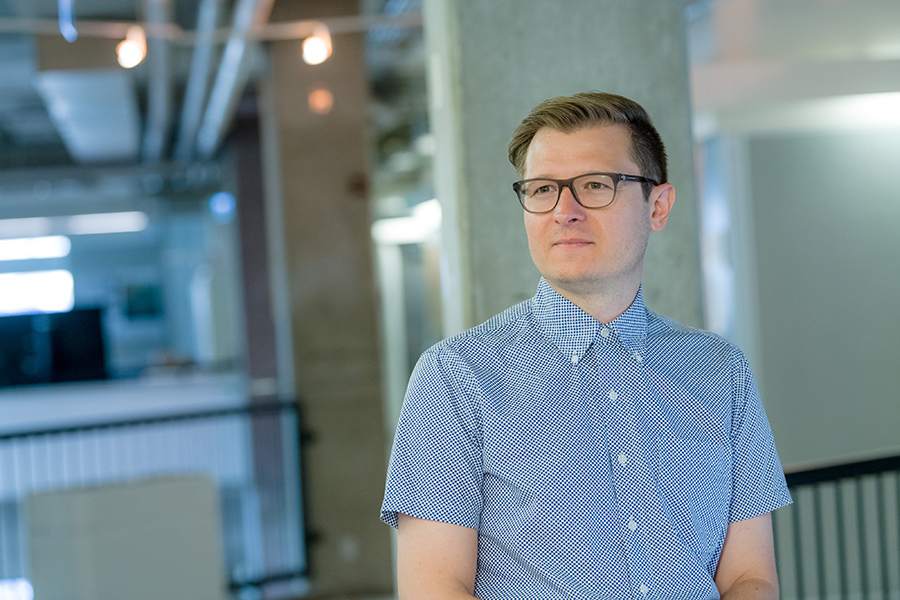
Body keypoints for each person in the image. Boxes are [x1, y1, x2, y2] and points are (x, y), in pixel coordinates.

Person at [380, 92, 791, 600]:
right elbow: (433, 590)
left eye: (596, 185)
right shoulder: (454, 377)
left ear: (658, 205)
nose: (564, 211)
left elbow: (751, 577)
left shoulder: (722, 372)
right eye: (543, 189)